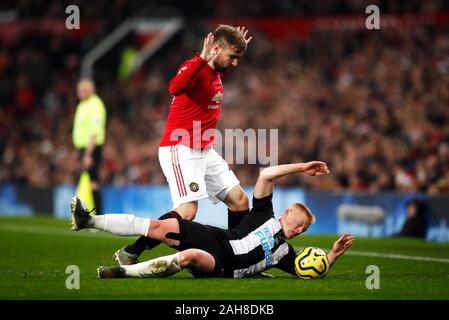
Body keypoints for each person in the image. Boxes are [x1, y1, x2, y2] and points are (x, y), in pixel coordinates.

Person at [70, 160, 355, 279]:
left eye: (303, 230)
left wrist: (332, 255)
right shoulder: (263, 213)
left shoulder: (285, 255)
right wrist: (303, 167)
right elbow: (266, 174)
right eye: (299, 223)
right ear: (287, 213)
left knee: (190, 257)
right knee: (160, 227)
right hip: (219, 239)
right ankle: (89, 222)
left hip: (223, 267)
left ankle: (120, 273)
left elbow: (310, 271)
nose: (299, 230)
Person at [115, 25, 254, 264]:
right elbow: (174, 87)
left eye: (238, 58)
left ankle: (237, 259)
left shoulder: (215, 73)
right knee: (187, 211)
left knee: (240, 201)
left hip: (204, 149)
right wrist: (202, 58)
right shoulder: (193, 67)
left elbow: (217, 70)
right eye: (232, 57)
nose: (235, 63)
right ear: (216, 49)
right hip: (180, 148)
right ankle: (132, 250)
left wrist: (236, 44)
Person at [72, 78, 107, 215]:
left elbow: (95, 131)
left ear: (89, 90)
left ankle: (98, 216)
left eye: (81, 90)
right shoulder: (83, 104)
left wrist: (88, 154)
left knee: (93, 181)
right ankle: (89, 214)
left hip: (92, 148)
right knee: (88, 181)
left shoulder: (95, 105)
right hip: (83, 149)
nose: (79, 92)